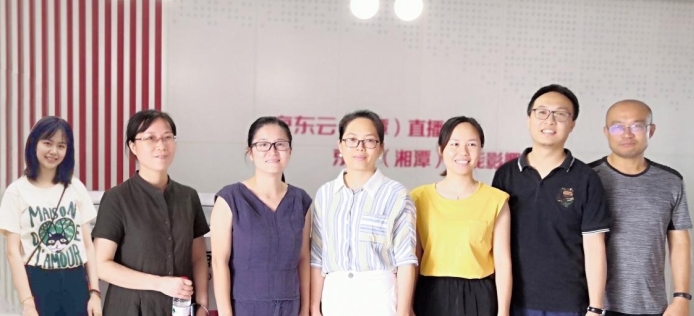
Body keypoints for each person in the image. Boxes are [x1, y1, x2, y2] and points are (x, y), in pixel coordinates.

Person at [492, 84, 610, 316]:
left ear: (572, 124)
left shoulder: (586, 179)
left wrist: (595, 307)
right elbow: (495, 242)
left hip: (568, 304)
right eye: (542, 112)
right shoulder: (506, 175)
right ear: (529, 118)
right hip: (513, 301)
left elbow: (595, 246)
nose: (550, 120)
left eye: (560, 114)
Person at [92, 109, 210, 315]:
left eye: (167, 137)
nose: (161, 145)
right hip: (129, 308)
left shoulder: (188, 197)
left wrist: (202, 305)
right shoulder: (117, 198)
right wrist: (159, 283)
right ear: (133, 146)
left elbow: (198, 258)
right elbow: (101, 265)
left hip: (179, 309)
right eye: (150, 138)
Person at [589, 100, 692, 316]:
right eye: (618, 127)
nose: (627, 134)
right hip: (594, 307)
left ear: (650, 130)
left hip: (651, 306)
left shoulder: (670, 181)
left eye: (636, 126)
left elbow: (680, 242)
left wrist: (682, 297)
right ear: (606, 132)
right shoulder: (587, 179)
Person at [310, 109, 417, 316]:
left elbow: (405, 259)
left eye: (369, 141)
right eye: (352, 140)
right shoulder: (325, 194)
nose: (360, 147)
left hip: (379, 297)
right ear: (340, 145)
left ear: (381, 147)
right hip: (335, 296)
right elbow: (317, 255)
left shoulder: (396, 194)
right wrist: (315, 306)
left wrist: (403, 311)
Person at [0, 116, 102, 316]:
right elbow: (13, 252)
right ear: (34, 144)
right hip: (39, 281)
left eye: (61, 146)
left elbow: (87, 245)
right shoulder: (16, 192)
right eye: (47, 143)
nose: (54, 151)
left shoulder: (75, 187)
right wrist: (28, 302)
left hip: (76, 280)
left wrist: (95, 293)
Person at [411, 116, 512, 316]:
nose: (463, 152)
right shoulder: (419, 197)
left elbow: (502, 263)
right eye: (455, 144)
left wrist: (503, 312)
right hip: (430, 294)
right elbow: (414, 258)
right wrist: (406, 306)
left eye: (472, 144)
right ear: (441, 149)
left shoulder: (496, 200)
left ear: (480, 150)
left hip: (479, 296)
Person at [211, 117, 312, 316]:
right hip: (245, 307)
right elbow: (219, 262)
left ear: (290, 151)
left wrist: (305, 310)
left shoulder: (301, 201)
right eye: (263, 144)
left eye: (280, 144)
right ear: (250, 152)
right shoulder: (230, 198)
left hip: (289, 307)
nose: (272, 151)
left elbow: (303, 259)